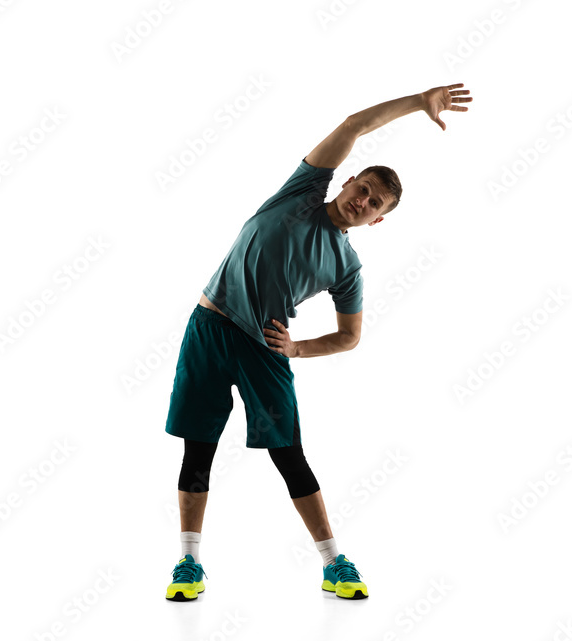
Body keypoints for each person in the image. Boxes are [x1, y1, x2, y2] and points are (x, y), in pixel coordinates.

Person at [163, 83, 472, 601]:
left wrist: (299, 349)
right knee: (200, 450)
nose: (364, 200)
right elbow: (354, 124)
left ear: (377, 220)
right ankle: (188, 564)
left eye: (375, 204)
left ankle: (334, 563)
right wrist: (419, 103)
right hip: (209, 328)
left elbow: (350, 337)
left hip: (266, 348)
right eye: (364, 188)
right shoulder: (300, 191)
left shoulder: (347, 266)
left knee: (290, 456)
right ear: (346, 181)